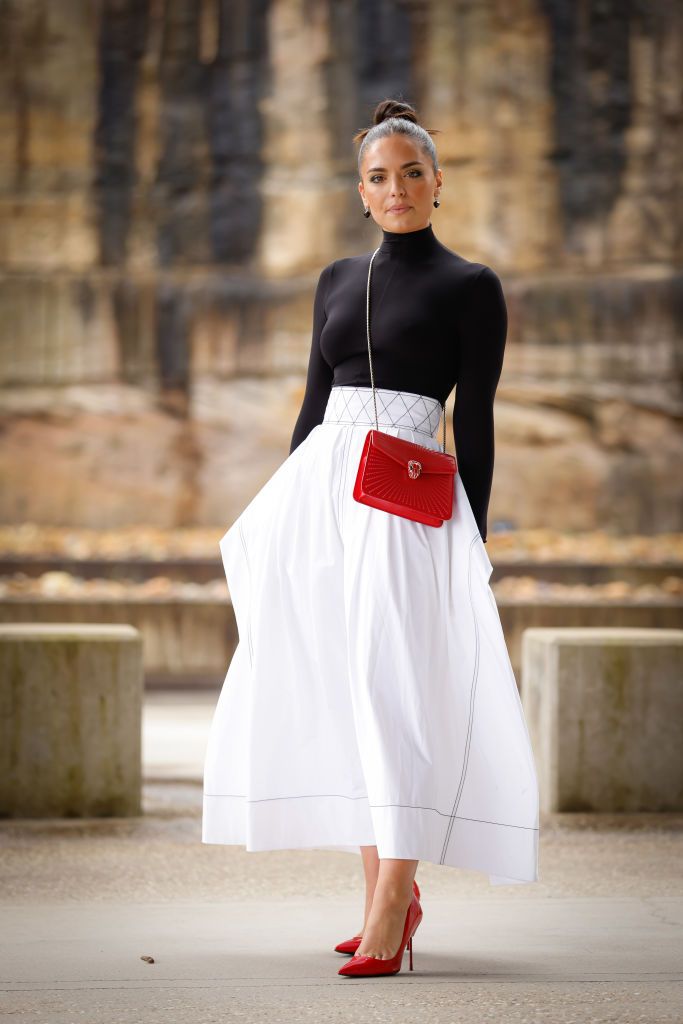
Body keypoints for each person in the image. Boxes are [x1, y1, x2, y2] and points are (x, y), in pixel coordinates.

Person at [202, 98, 539, 978]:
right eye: (379, 177)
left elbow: (480, 420)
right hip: (322, 501)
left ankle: (394, 899)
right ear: (361, 191)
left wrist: (471, 535)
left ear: (437, 183)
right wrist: (282, 518)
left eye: (412, 173)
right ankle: (380, 891)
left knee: (391, 693)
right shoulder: (333, 282)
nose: (396, 189)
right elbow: (313, 413)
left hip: (404, 504)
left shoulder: (472, 287)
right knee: (344, 696)